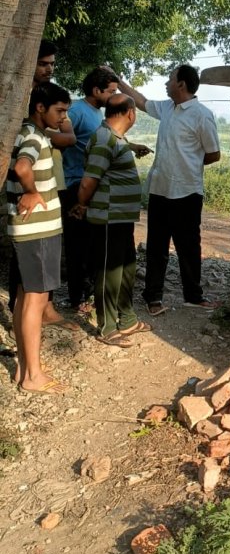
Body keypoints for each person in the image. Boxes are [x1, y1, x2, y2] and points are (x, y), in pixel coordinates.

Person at [111, 65, 220, 315]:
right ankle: (153, 298)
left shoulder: (202, 115)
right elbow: (141, 101)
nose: (166, 83)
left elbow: (214, 154)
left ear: (181, 84)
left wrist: (189, 162)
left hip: (188, 191)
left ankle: (193, 295)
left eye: (170, 79)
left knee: (189, 247)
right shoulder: (167, 108)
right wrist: (118, 81)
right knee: (156, 247)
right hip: (160, 189)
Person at [5, 82, 72, 394]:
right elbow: (21, 167)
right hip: (37, 231)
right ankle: (33, 375)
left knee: (24, 297)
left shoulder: (25, 132)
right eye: (59, 111)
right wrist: (32, 192)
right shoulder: (33, 135)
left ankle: (24, 367)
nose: (63, 117)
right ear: (40, 108)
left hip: (28, 230)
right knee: (36, 299)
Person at [72, 94, 152, 347]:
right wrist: (82, 205)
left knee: (127, 267)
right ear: (130, 113)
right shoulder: (104, 138)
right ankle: (106, 327)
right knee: (109, 271)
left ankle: (127, 319)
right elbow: (89, 180)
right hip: (107, 218)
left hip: (121, 218)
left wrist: (131, 147)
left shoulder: (114, 138)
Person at [6, 41, 76, 326]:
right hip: (28, 183)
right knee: (25, 258)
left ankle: (43, 310)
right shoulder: (16, 94)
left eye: (52, 64)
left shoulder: (53, 97)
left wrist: (46, 133)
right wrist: (45, 136)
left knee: (44, 257)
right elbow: (27, 144)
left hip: (49, 176)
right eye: (43, 63)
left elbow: (69, 136)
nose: (48, 69)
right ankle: (21, 314)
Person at [60, 67, 122, 313]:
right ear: (96, 90)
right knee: (77, 244)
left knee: (91, 244)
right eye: (111, 91)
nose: (114, 96)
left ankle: (87, 293)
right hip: (76, 184)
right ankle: (76, 298)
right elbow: (59, 138)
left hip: (90, 186)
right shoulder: (76, 111)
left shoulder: (97, 113)